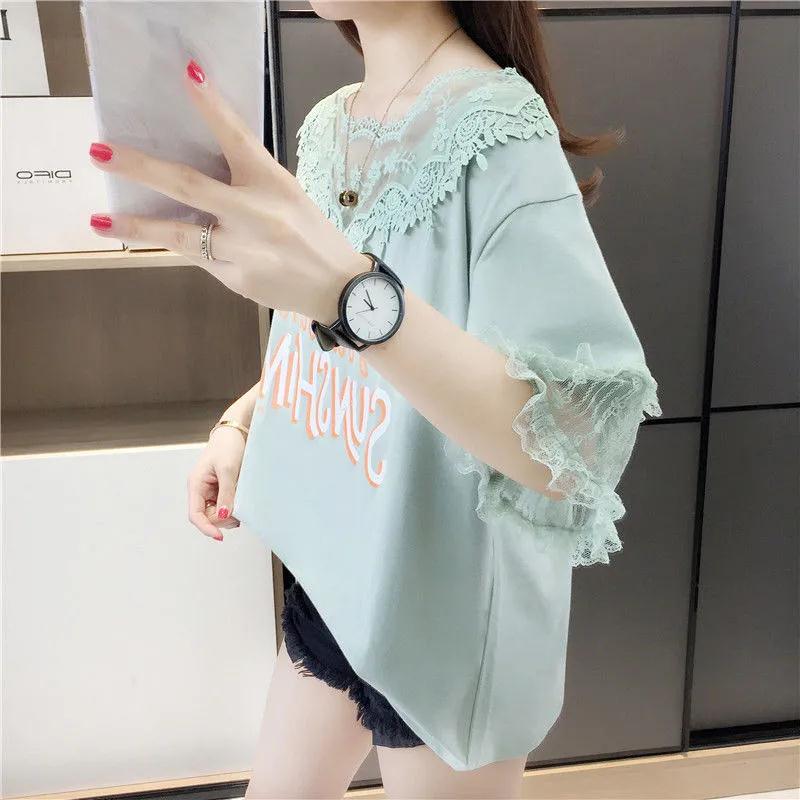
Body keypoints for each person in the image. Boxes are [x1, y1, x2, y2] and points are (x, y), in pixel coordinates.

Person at [88, 1, 662, 796]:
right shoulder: (331, 123)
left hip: (448, 611)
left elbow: (575, 444)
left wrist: (351, 294)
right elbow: (323, 340)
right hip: (341, 570)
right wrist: (243, 422)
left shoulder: (500, 129)